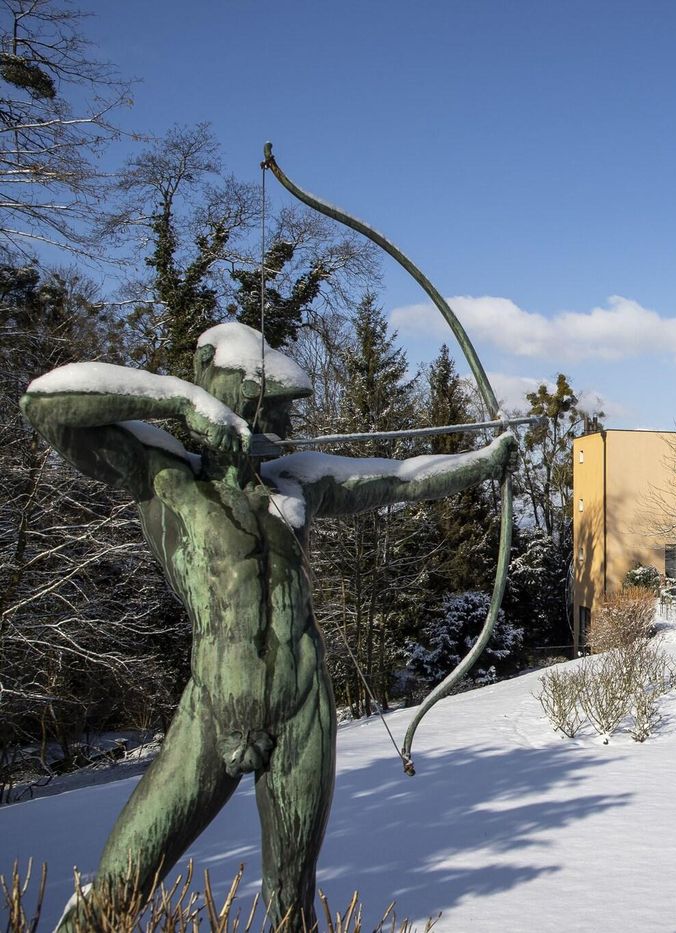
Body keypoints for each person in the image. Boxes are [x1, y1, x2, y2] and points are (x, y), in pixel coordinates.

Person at [21, 322, 515, 930]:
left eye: (286, 414)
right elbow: (45, 405)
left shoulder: (295, 483)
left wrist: (487, 462)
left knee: (291, 905)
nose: (284, 429)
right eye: (272, 412)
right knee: (122, 884)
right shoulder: (166, 477)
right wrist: (178, 400)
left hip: (302, 709)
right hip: (210, 712)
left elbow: (403, 477)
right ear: (229, 404)